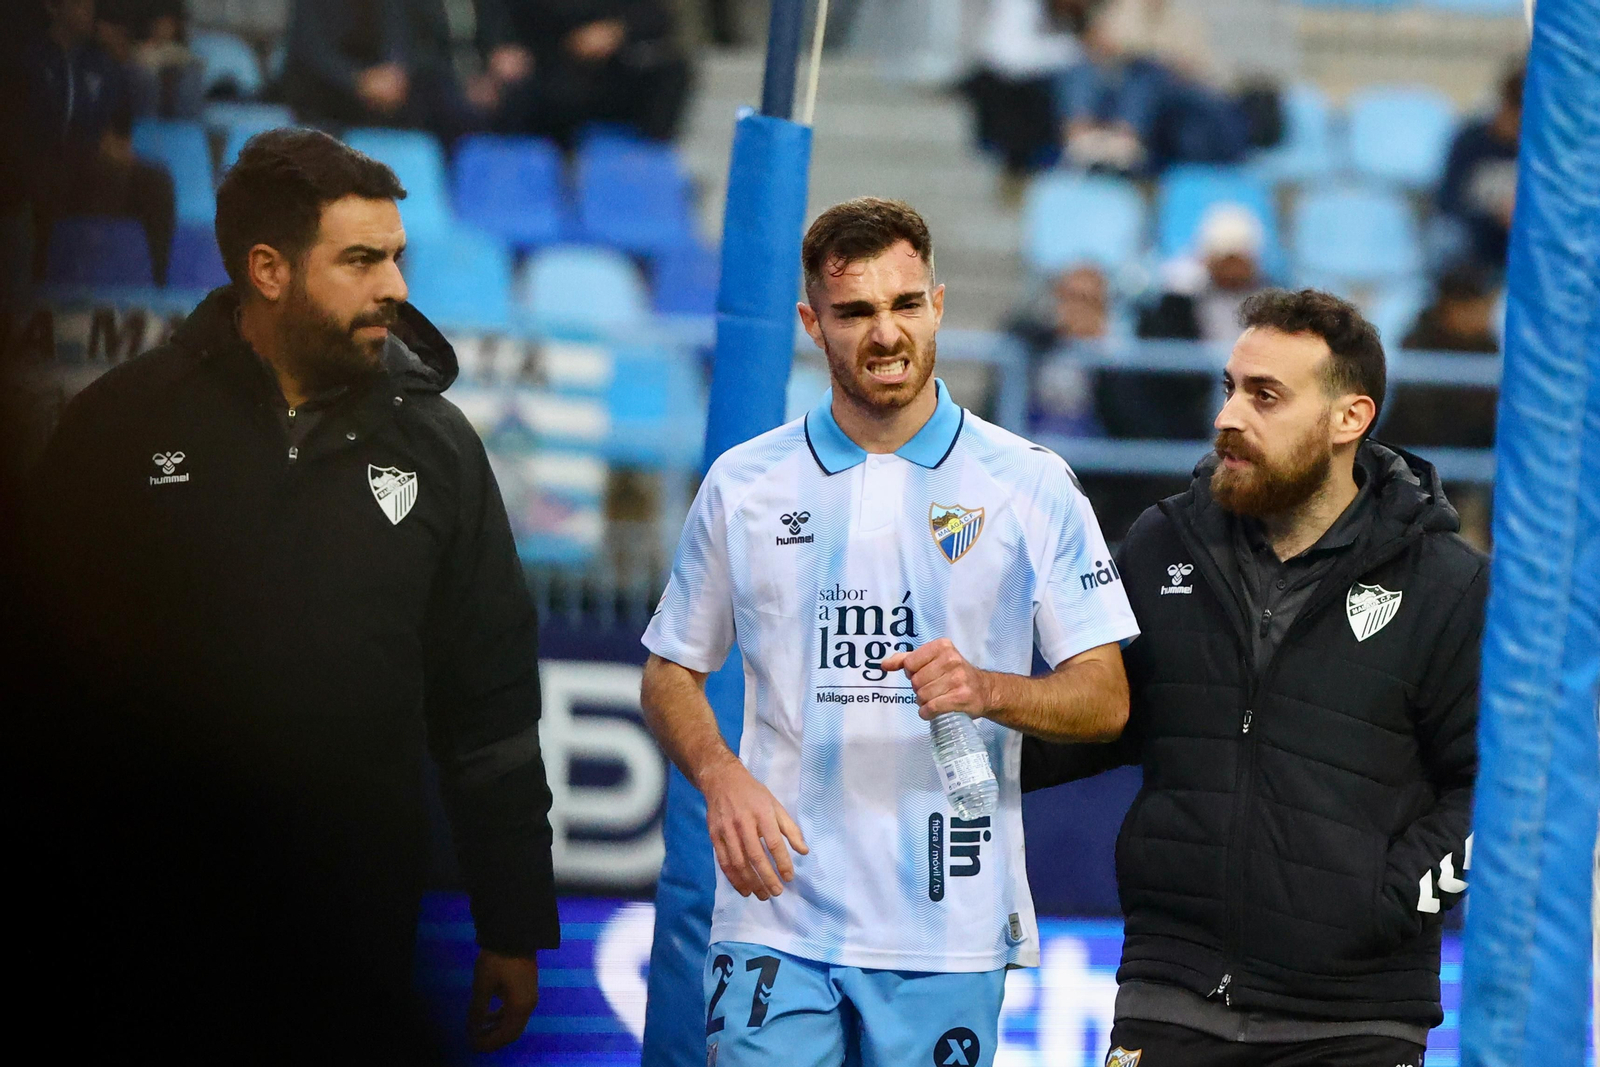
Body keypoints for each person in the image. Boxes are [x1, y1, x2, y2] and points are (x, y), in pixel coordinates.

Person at [19, 129, 558, 1060]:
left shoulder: (441, 449)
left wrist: (511, 923)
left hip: (351, 934)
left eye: (397, 256)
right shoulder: (121, 423)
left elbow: (492, 705)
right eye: (361, 260)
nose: (394, 284)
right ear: (267, 269)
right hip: (138, 924)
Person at [640, 197, 1139, 1065]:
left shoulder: (1031, 483)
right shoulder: (744, 483)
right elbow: (669, 670)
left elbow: (1105, 698)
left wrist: (987, 687)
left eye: (905, 304)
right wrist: (719, 774)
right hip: (775, 914)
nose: (886, 334)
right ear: (810, 322)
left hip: (947, 929)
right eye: (856, 312)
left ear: (938, 304)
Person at [1025, 288, 1487, 1067]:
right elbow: (1101, 717)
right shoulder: (1160, 542)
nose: (1229, 416)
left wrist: (1383, 901)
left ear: (1351, 418)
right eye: (1230, 389)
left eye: (1265, 395)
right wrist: (964, 715)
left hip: (1355, 1023)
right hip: (1168, 996)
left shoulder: (1448, 584)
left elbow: (1495, 786)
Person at [17, 0, 177, 283]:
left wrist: (117, 144)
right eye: (79, 5)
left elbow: (118, 119)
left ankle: (158, 282)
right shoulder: (28, 60)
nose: (88, 11)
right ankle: (56, 276)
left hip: (91, 162)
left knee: (156, 182)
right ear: (54, 8)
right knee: (85, 172)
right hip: (42, 160)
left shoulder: (99, 63)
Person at [476, 0, 692, 145]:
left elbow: (657, 15)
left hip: (610, 73)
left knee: (673, 70)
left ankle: (651, 163)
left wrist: (615, 31)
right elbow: (500, 23)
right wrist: (502, 49)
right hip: (547, 71)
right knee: (520, 93)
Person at [281, 0, 481, 140]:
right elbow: (310, 50)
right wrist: (357, 81)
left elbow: (401, 36)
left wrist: (394, 73)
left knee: (434, 97)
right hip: (327, 93)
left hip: (384, 92)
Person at [1437, 59, 1523, 278]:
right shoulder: (1472, 142)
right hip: (1476, 245)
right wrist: (1492, 212)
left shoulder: (1547, 153)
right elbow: (1447, 200)